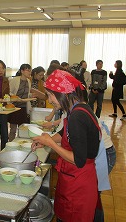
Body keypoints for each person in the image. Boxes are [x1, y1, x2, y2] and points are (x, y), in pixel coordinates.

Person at [31, 69, 100, 222]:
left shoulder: (77, 116)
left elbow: (78, 159)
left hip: (78, 181)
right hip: (74, 177)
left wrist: (51, 144)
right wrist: (47, 140)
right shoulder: (77, 107)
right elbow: (65, 134)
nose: (50, 100)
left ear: (62, 93)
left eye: (50, 95)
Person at [8, 64, 32, 141]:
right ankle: (11, 143)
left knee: (23, 129)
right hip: (14, 107)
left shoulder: (28, 81)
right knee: (13, 129)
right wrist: (17, 98)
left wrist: (31, 96)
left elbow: (27, 94)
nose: (29, 72)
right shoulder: (15, 80)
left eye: (30, 70)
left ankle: (21, 143)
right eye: (27, 70)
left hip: (23, 107)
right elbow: (9, 92)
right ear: (22, 71)